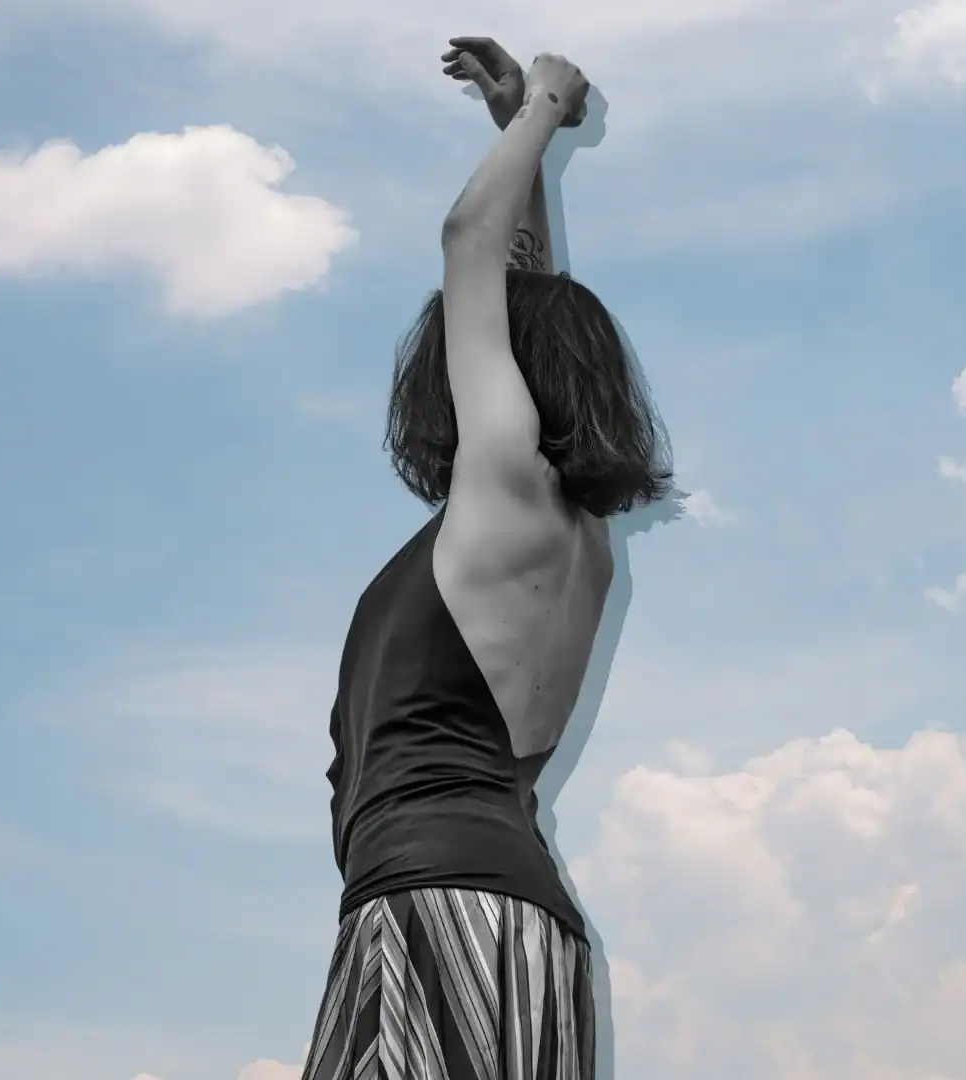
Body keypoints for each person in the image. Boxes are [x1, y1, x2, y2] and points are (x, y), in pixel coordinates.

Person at [300, 38, 674, 1080]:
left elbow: (470, 241)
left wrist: (545, 104)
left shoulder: (503, 489)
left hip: (432, 909)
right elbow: (523, 306)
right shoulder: (572, 539)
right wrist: (524, 146)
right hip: (526, 936)